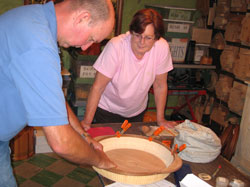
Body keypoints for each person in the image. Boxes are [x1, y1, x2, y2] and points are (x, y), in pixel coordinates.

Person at [0, 0, 116, 186]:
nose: (86, 48)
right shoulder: (38, 45)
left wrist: (84, 136)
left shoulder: (34, 18)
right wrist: (101, 160)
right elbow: (62, 143)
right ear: (82, 18)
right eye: (92, 38)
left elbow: (53, 98)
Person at [81, 8, 177, 131]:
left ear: (156, 38)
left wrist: (161, 119)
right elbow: (97, 87)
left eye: (148, 38)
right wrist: (87, 122)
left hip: (136, 112)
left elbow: (160, 85)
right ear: (131, 32)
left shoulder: (161, 47)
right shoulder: (116, 46)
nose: (142, 42)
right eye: (138, 36)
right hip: (107, 110)